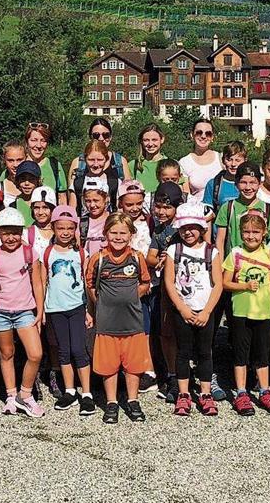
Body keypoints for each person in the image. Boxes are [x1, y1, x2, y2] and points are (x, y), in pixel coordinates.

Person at [86, 212, 152, 424]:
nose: (118, 237)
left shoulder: (137, 257)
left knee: (133, 366)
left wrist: (132, 295)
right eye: (113, 232)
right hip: (107, 323)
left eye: (123, 233)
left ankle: (133, 401)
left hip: (132, 322)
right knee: (109, 366)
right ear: (105, 233)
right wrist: (101, 302)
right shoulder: (99, 258)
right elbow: (90, 285)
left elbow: (145, 282)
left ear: (131, 234)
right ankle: (112, 402)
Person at [223, 211, 270, 416]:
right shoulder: (235, 253)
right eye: (246, 232)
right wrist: (244, 285)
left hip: (264, 313)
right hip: (241, 312)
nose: (251, 236)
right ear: (240, 232)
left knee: (262, 354)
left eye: (255, 232)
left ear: (264, 232)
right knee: (241, 354)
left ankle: (264, 391)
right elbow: (225, 282)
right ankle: (241, 392)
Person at [165, 203, 223, 417]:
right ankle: (183, 394)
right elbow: (169, 282)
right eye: (183, 228)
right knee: (183, 352)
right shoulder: (174, 250)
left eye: (192, 227)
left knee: (205, 352)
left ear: (201, 228)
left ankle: (205, 393)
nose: (188, 232)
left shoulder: (212, 251)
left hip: (205, 309)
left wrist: (207, 311)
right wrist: (181, 308)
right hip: (184, 309)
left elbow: (218, 284)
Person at [0, 208, 46, 417]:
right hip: (0, 310)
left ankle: (26, 394)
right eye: (6, 232)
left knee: (35, 353)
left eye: (15, 232)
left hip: (24, 310)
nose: (11, 237)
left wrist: (40, 311)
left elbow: (38, 284)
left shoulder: (30, 252)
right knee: (6, 354)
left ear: (21, 231)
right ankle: (11, 396)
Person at [39, 205, 94, 414]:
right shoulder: (47, 253)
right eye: (61, 228)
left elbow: (86, 282)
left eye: (70, 228)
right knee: (63, 351)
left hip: (77, 307)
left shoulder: (81, 253)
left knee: (79, 350)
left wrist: (89, 310)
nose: (65, 232)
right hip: (55, 308)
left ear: (75, 229)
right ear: (53, 227)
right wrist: (42, 310)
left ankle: (86, 393)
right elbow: (44, 282)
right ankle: (70, 391)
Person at [146, 182, 184, 403]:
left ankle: (185, 374)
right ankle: (171, 374)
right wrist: (161, 258)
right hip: (165, 288)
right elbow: (150, 256)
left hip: (187, 286)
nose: (161, 212)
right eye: (158, 207)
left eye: (167, 208)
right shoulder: (160, 230)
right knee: (166, 332)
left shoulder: (186, 226)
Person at [215, 164, 270, 257]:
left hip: (260, 265)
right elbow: (220, 241)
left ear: (259, 184)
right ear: (236, 184)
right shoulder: (228, 207)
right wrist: (220, 267)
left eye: (253, 183)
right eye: (243, 182)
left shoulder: (267, 208)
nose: (248, 187)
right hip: (233, 264)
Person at [67, 119, 131, 198]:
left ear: (110, 137)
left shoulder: (120, 162)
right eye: (96, 135)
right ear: (90, 137)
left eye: (106, 135)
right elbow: (72, 196)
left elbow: (128, 195)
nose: (101, 138)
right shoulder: (78, 162)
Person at [178, 119, 222, 201]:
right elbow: (186, 195)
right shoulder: (184, 162)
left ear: (212, 137)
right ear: (192, 135)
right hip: (197, 210)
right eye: (199, 132)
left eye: (208, 133)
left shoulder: (221, 159)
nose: (203, 136)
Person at [201, 141, 246, 217]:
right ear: (223, 161)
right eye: (229, 160)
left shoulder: (250, 184)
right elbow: (208, 215)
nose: (233, 164)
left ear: (245, 161)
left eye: (237, 160)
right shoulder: (213, 184)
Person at [25, 123, 67, 195]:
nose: (39, 145)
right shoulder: (17, 164)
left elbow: (62, 198)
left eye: (43, 141)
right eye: (34, 140)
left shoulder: (55, 165)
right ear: (27, 142)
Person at [131, 124, 167, 197]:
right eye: (146, 140)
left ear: (162, 139)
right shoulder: (133, 165)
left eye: (154, 140)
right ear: (141, 141)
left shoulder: (171, 164)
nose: (150, 144)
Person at [80, 177, 111, 258]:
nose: (92, 205)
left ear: (106, 199)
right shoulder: (81, 222)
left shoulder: (113, 220)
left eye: (96, 200)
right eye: (88, 201)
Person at [25, 186, 56, 255]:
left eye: (45, 207)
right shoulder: (26, 234)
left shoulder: (59, 231)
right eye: (36, 208)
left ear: (52, 209)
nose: (40, 212)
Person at [11, 160, 42, 226]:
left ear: (38, 181)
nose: (27, 183)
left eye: (31, 179)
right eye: (23, 179)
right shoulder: (13, 206)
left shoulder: (45, 203)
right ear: (17, 181)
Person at [0, 141, 27, 206]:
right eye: (10, 160)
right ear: (4, 160)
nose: (15, 165)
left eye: (19, 160)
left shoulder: (33, 185)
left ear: (26, 158)